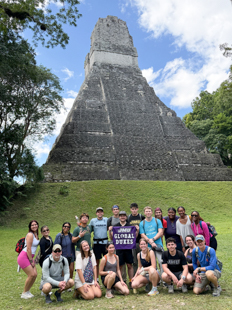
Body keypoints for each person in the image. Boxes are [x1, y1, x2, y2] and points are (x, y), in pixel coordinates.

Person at [110, 211, 139, 289]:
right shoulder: (116, 226)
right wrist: (110, 231)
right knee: (120, 266)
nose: (122, 217)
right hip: (119, 249)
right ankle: (120, 281)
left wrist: (137, 230)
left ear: (126, 217)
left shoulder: (130, 226)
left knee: (129, 265)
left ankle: (130, 281)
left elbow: (134, 237)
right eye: (121, 216)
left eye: (124, 216)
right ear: (119, 217)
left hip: (128, 248)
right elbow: (112, 238)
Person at [17, 220, 40, 299]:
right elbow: (28, 249)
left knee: (35, 275)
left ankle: (27, 291)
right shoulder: (30, 235)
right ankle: (24, 293)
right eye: (32, 225)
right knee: (31, 275)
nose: (34, 226)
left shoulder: (36, 234)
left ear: (37, 225)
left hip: (30, 257)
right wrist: (31, 261)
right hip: (24, 256)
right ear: (30, 227)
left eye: (35, 224)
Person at [139, 206, 164, 274]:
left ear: (152, 212)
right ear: (144, 213)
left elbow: (160, 232)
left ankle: (163, 279)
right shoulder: (142, 223)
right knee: (152, 263)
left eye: (149, 211)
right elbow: (142, 234)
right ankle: (156, 279)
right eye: (146, 211)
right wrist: (150, 241)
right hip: (148, 246)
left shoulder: (157, 221)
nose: (148, 213)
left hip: (158, 244)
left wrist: (152, 240)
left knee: (161, 262)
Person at [89, 207, 108, 279]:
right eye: (98, 212)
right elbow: (89, 230)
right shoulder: (93, 221)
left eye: (101, 212)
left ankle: (106, 277)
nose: (100, 213)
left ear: (103, 213)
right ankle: (96, 278)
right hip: (96, 243)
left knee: (107, 260)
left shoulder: (106, 220)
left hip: (105, 243)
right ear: (96, 213)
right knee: (96, 261)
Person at [127, 203, 145, 275]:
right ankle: (135, 274)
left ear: (137, 209)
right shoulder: (129, 218)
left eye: (135, 209)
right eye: (132, 209)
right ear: (131, 209)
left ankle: (143, 274)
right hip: (132, 242)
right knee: (134, 260)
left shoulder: (141, 217)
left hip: (141, 241)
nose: (134, 210)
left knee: (142, 258)